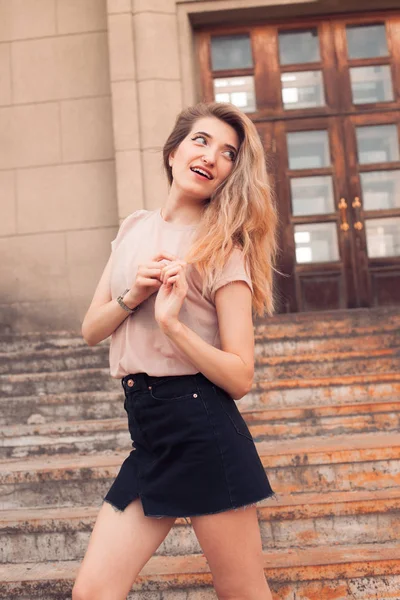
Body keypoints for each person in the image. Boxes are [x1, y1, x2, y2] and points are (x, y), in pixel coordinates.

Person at [73, 101, 280, 600]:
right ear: (173, 152)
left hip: (203, 427)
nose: (212, 156)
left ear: (231, 173)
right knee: (93, 592)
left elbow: (240, 375)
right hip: (150, 431)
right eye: (202, 141)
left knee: (242, 591)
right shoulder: (133, 228)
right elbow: (91, 328)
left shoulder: (222, 249)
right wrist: (135, 296)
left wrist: (172, 324)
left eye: (228, 153)